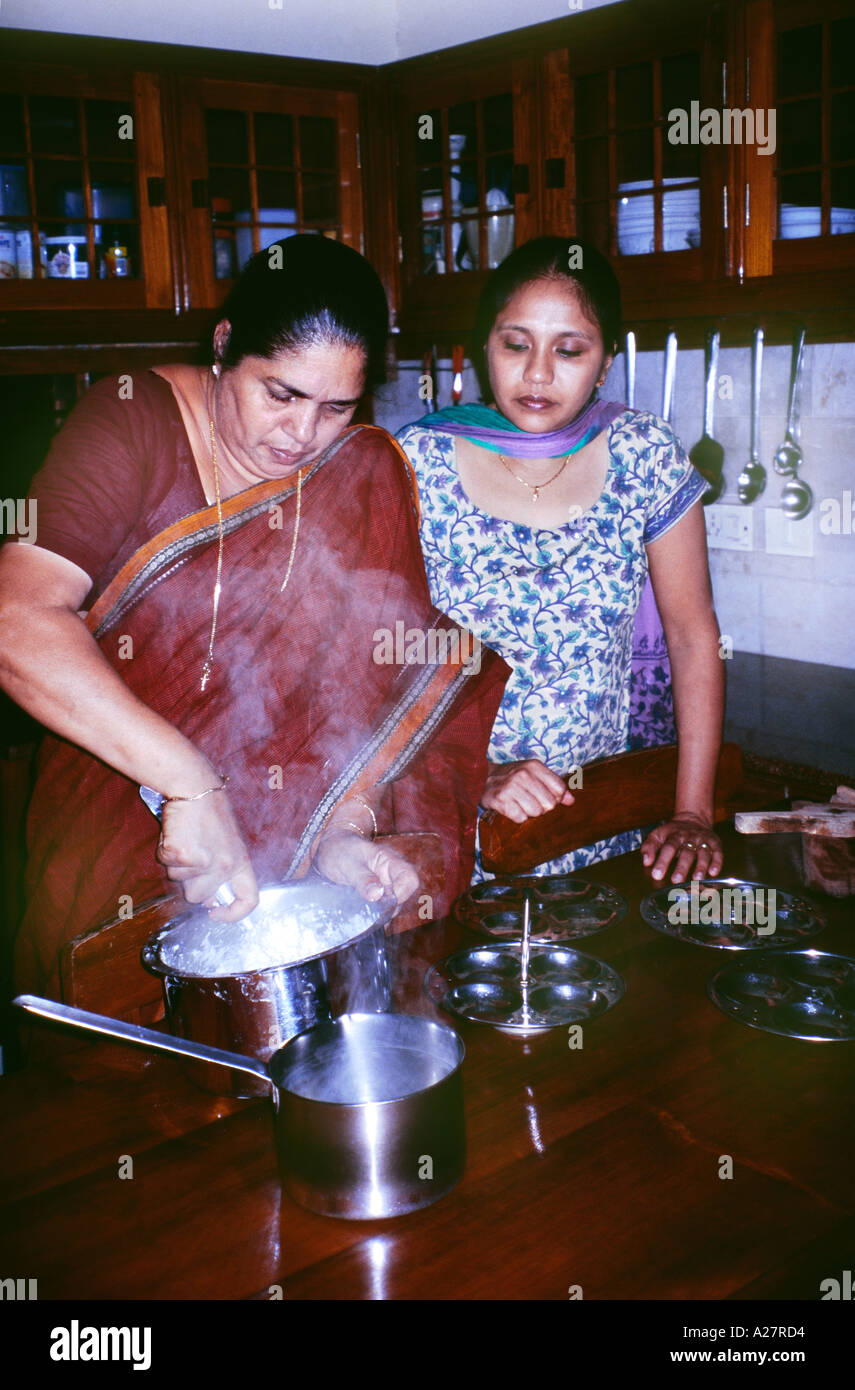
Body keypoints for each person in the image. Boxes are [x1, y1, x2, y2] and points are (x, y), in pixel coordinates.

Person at [0, 235, 507, 1004]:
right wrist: (191, 789)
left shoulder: (354, 473)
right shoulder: (129, 424)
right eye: (280, 394)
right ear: (225, 345)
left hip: (285, 866)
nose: (300, 438)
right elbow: (17, 619)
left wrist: (345, 825)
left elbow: (376, 689)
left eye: (336, 407)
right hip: (110, 845)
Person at [397, 236, 725, 885]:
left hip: (600, 826)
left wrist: (692, 812)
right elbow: (376, 663)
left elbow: (692, 637)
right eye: (515, 344)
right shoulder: (417, 464)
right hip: (453, 827)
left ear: (603, 363)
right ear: (483, 347)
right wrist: (472, 774)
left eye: (568, 349)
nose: (538, 373)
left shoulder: (644, 455)